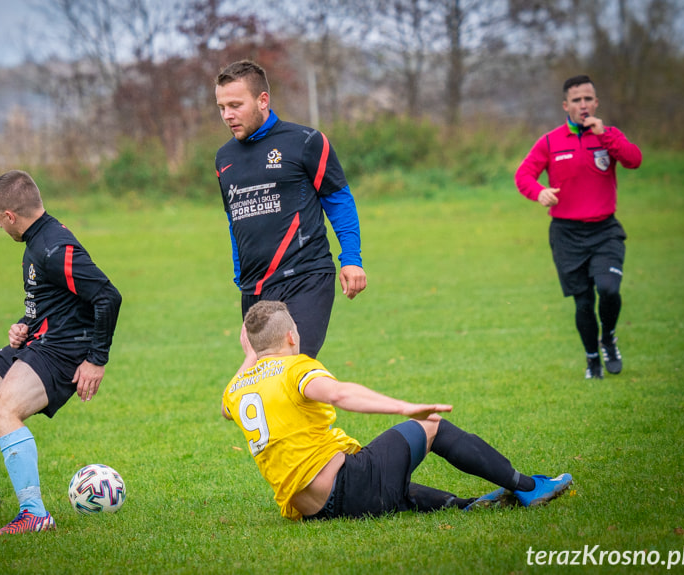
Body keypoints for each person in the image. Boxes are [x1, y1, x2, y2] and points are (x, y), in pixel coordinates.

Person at [221, 301, 573, 521]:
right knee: (431, 427)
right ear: (291, 338)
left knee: (389, 477)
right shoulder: (296, 367)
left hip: (312, 511)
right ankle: (529, 487)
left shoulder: (236, 390)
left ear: (253, 347)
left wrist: (250, 354)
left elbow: (226, 407)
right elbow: (340, 393)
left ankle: (464, 506)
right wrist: (406, 407)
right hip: (347, 487)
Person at [0, 170, 122, 534]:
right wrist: (25, 322)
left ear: (10, 216)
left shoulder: (53, 247)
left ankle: (35, 513)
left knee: (3, 411)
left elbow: (107, 296)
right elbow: (53, 298)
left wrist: (96, 359)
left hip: (64, 350)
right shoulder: (37, 241)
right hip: (42, 340)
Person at [214, 60, 367, 358]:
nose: (227, 115)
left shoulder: (306, 142)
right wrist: (239, 274)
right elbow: (236, 219)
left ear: (263, 100)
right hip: (255, 288)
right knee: (265, 378)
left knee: (288, 366)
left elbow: (338, 200)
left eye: (235, 105)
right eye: (221, 107)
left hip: (306, 277)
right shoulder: (224, 158)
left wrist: (351, 258)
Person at [515, 74, 642, 379]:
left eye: (588, 99)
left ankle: (608, 338)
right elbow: (523, 176)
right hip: (567, 234)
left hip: (604, 230)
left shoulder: (609, 136)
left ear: (596, 103)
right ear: (565, 105)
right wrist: (539, 192)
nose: (583, 104)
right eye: (576, 100)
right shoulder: (550, 141)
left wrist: (606, 136)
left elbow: (634, 160)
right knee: (583, 301)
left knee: (608, 289)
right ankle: (592, 360)